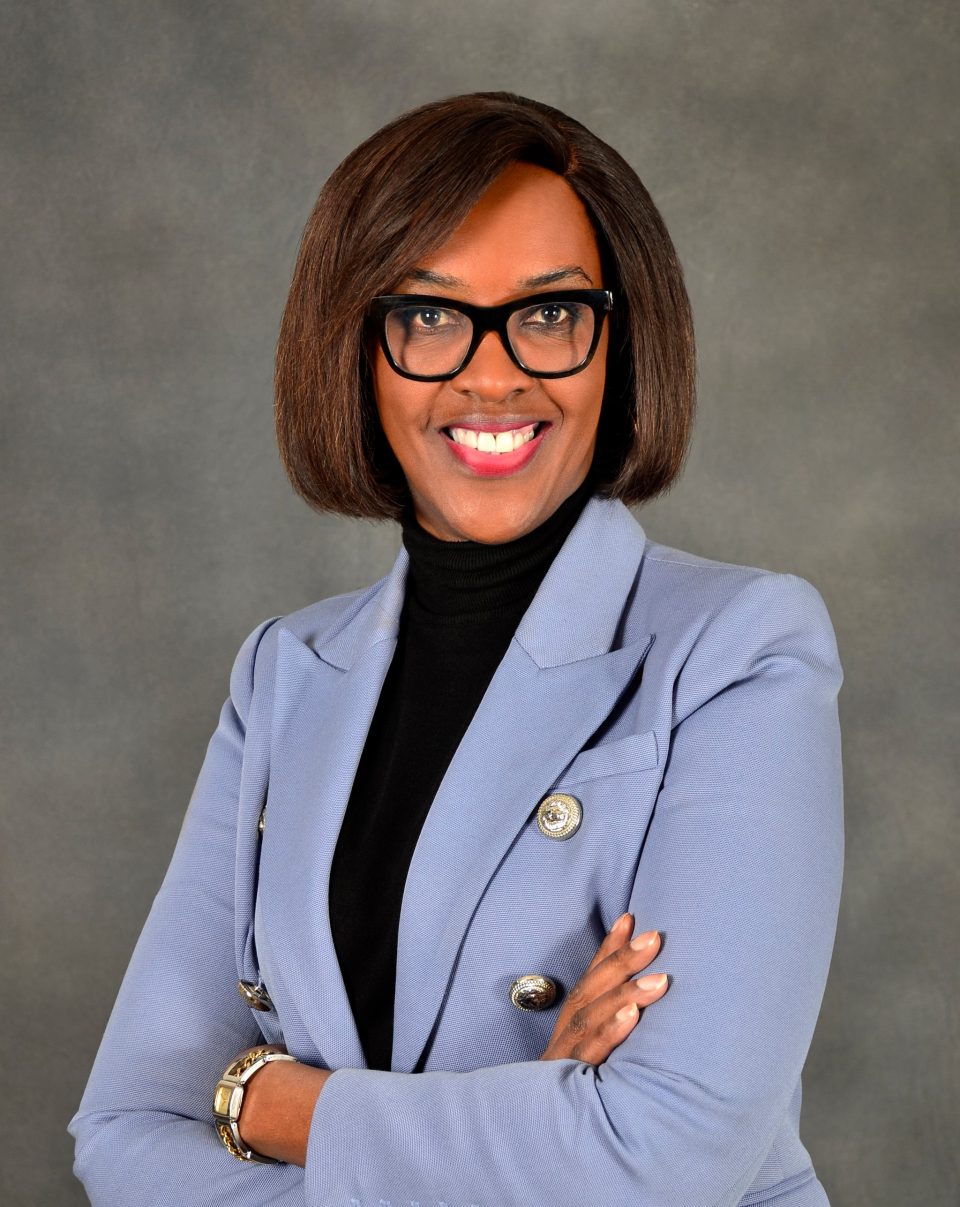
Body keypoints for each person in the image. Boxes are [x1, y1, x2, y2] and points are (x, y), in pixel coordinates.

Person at [69, 91, 844, 1206]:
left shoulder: (738, 650)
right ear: (356, 350)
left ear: (620, 344)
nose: (492, 374)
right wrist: (536, 1118)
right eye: (430, 316)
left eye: (550, 312)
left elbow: (661, 1156)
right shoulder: (282, 673)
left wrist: (270, 1102)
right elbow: (126, 1134)